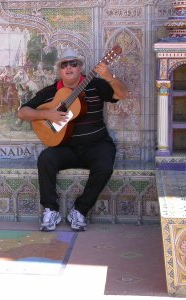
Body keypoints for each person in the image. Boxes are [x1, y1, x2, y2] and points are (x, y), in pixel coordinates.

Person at [17, 48, 128, 232]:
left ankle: (80, 210)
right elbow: (22, 112)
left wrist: (108, 76)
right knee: (46, 158)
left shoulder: (96, 85)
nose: (69, 68)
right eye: (64, 65)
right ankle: (51, 209)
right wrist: (47, 114)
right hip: (66, 148)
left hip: (96, 144)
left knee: (105, 164)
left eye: (73, 64)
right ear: (59, 70)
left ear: (80, 67)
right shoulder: (51, 91)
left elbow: (122, 94)